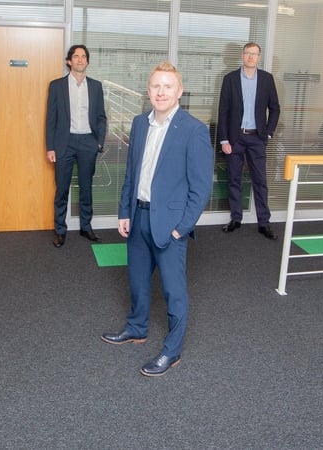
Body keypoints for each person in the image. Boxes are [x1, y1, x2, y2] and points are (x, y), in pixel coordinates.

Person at [101, 62, 214, 377]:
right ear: (148, 91)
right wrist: (125, 211)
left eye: (167, 86)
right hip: (139, 217)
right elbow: (132, 174)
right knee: (136, 280)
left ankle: (171, 350)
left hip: (170, 226)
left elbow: (201, 188)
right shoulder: (139, 124)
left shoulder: (194, 130)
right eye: (155, 86)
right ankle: (137, 328)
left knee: (173, 292)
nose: (161, 92)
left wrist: (182, 228)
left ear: (179, 91)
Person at [216, 42, 280, 240]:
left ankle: (264, 222)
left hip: (257, 138)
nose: (251, 57)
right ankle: (236, 218)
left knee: (260, 181)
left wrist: (268, 133)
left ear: (259, 57)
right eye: (248, 53)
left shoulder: (267, 79)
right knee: (234, 179)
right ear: (242, 56)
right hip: (235, 138)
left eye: (255, 54)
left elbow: (275, 108)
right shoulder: (230, 79)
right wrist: (224, 139)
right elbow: (223, 111)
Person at [45, 44, 108, 248]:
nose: (80, 60)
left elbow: (100, 117)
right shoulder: (56, 86)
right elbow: (50, 119)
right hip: (65, 143)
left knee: (86, 188)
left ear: (87, 61)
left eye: (83, 56)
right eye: (76, 56)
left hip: (88, 143)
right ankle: (60, 230)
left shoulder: (96, 86)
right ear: (69, 61)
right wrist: (50, 147)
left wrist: (98, 142)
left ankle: (85, 227)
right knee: (62, 189)